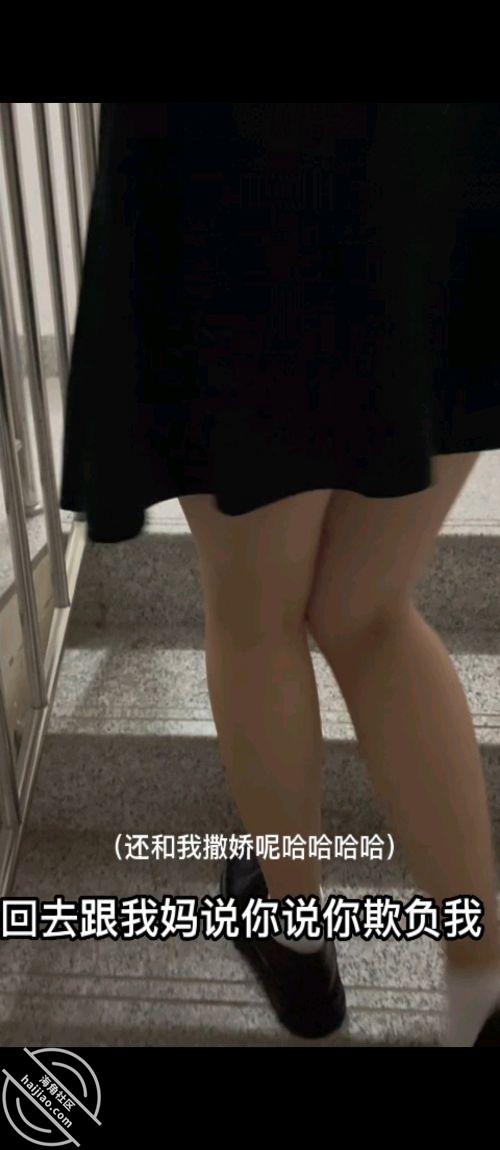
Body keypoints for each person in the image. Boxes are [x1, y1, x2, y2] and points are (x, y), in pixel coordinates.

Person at [60, 103, 500, 1045]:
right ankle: (485, 984)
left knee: (256, 612)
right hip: (439, 154)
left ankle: (297, 948)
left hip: (238, 164)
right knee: (368, 608)